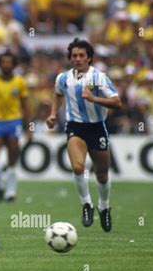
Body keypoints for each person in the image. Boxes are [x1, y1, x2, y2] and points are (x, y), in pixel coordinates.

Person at [46, 38, 121, 232]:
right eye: (74, 56)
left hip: (97, 127)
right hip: (75, 127)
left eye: (81, 55)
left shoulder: (99, 78)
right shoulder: (63, 78)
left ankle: (104, 206)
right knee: (78, 167)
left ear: (89, 58)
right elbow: (58, 94)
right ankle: (86, 204)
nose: (78, 59)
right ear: (70, 58)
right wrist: (53, 114)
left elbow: (116, 102)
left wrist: (94, 97)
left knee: (102, 174)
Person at [0, 50, 31, 202]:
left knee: (13, 155)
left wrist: (29, 128)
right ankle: (0, 185)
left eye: (9, 62)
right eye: (4, 62)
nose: (6, 64)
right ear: (0, 64)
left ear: (14, 64)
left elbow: (26, 106)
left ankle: (10, 190)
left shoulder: (20, 82)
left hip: (14, 121)